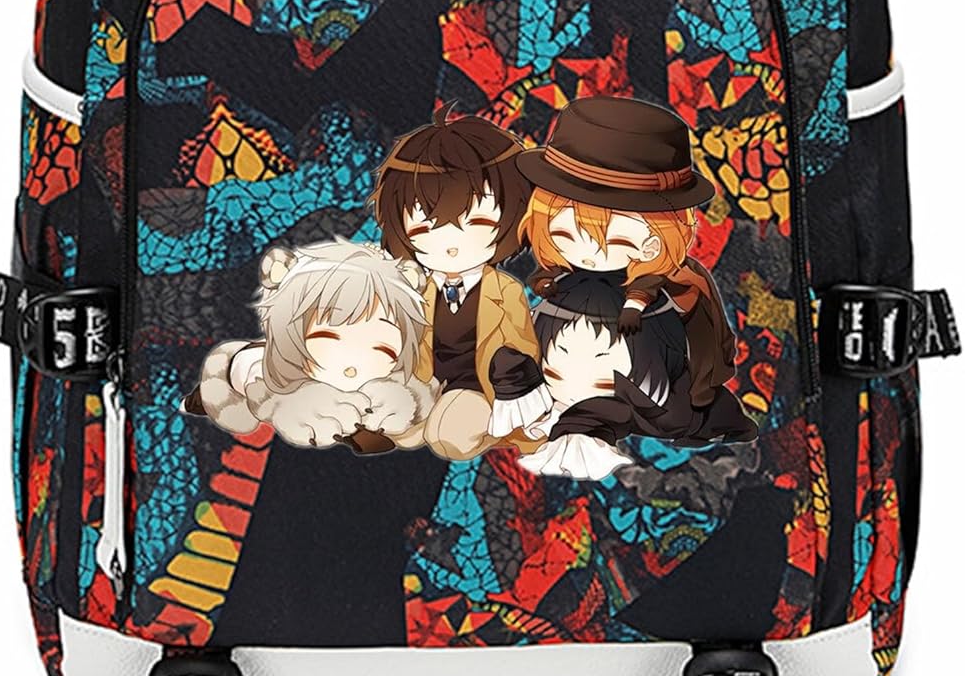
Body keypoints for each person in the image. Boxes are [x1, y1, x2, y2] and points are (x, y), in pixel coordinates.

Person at [517, 96, 758, 445]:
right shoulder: (565, 285)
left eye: (614, 241)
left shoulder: (675, 293)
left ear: (655, 241)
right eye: (565, 235)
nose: (589, 253)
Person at [371, 108, 551, 460]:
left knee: (449, 436)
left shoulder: (505, 292)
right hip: (427, 385)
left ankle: (489, 431)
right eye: (425, 229)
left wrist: (511, 382)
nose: (452, 245)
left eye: (478, 223)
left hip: (482, 390)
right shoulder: (416, 290)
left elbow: (523, 349)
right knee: (398, 423)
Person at [182, 238, 435, 455]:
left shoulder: (394, 381)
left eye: (381, 348)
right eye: (328, 337)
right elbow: (265, 389)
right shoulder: (265, 371)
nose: (352, 364)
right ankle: (198, 400)